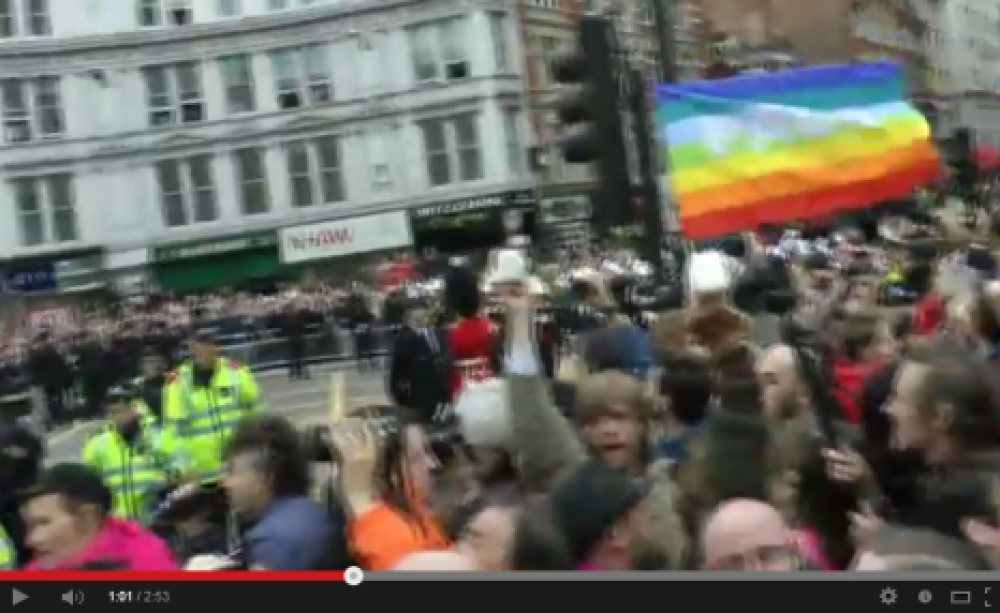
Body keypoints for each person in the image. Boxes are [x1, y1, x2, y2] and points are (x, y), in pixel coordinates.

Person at [338, 407, 449, 570]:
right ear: (379, 474)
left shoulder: (414, 519)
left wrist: (361, 500)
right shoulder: (401, 534)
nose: (433, 464)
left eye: (428, 451)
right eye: (416, 458)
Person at [222, 416, 335, 570]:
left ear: (264, 479)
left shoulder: (270, 542)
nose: (225, 483)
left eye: (232, 472)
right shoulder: (316, 511)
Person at [20, 463, 178, 570]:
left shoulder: (147, 567)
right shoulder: (43, 567)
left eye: (43, 523)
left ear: (88, 518)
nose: (31, 540)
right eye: (28, 527)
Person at [163, 329, 264, 482]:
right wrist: (184, 466)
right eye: (192, 346)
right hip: (202, 474)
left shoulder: (236, 372)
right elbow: (174, 432)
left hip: (240, 466)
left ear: (214, 347)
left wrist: (258, 450)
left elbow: (257, 413)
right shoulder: (177, 382)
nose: (196, 350)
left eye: (202, 344)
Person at [81, 387, 186, 523]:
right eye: (111, 413)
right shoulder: (97, 445)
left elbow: (183, 469)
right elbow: (86, 485)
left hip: (157, 525)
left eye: (119, 411)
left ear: (134, 409)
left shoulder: (158, 437)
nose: (115, 418)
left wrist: (163, 483)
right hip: (120, 530)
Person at [388, 304, 449, 422]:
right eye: (421, 316)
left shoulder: (435, 333)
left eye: (426, 315)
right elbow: (399, 364)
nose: (426, 318)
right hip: (419, 387)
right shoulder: (405, 337)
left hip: (437, 384)